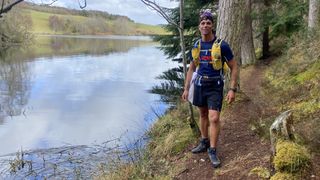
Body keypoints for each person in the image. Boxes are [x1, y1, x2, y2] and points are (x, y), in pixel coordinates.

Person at [181, 11, 238, 168]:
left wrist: (232, 89)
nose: (205, 25)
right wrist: (186, 89)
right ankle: (204, 141)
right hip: (199, 85)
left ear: (212, 25)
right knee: (203, 114)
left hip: (215, 86)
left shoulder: (222, 45)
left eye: (208, 23)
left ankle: (212, 150)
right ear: (199, 26)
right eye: (202, 23)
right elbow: (191, 68)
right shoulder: (197, 45)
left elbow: (234, 67)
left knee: (214, 118)